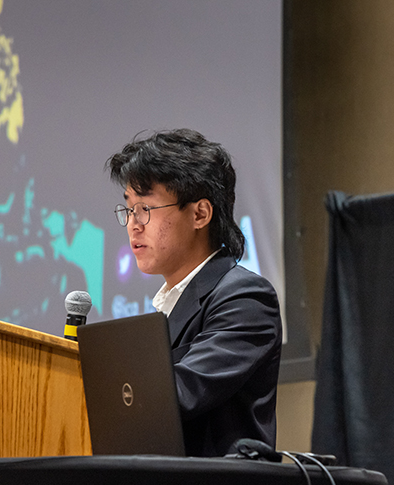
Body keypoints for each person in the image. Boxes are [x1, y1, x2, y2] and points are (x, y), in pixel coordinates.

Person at [106, 129, 282, 457]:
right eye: (129, 209)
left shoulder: (246, 298)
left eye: (145, 208)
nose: (133, 224)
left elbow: (180, 393)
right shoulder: (167, 305)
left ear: (200, 213)